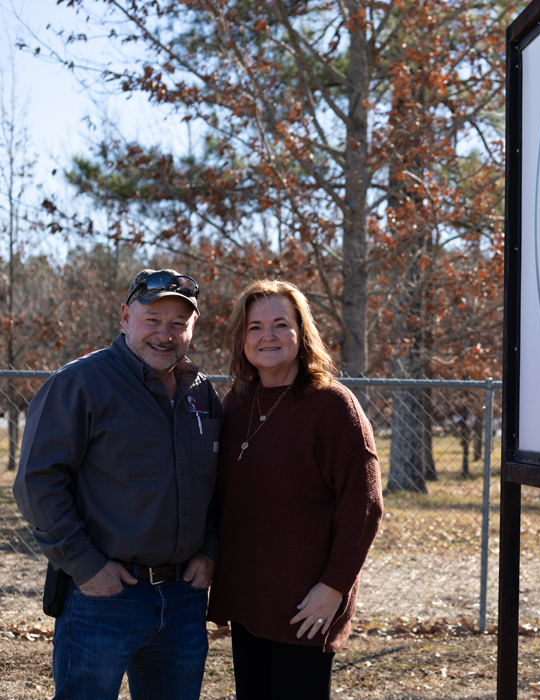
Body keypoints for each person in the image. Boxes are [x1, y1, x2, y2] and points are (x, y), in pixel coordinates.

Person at [13, 269, 222, 700]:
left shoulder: (201, 393)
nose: (165, 334)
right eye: (153, 319)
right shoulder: (80, 384)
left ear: (192, 329)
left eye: (178, 323)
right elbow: (37, 484)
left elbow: (216, 484)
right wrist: (85, 565)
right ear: (126, 316)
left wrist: (211, 548)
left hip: (184, 601)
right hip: (104, 597)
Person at [207, 279, 384, 699]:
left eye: (280, 324)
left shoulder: (332, 406)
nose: (267, 336)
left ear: (301, 334)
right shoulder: (236, 402)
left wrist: (334, 587)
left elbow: (364, 506)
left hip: (307, 605)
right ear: (242, 338)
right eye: (254, 327)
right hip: (250, 599)